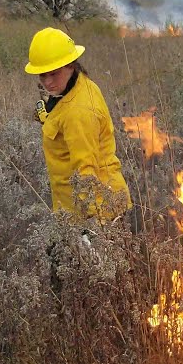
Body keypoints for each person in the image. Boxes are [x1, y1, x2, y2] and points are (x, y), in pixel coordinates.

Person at [25, 27, 131, 223]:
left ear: (70, 65)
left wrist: (90, 226)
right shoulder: (76, 84)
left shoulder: (79, 112)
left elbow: (85, 170)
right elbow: (65, 119)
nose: (48, 83)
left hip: (95, 212)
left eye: (54, 74)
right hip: (74, 208)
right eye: (42, 75)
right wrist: (50, 116)